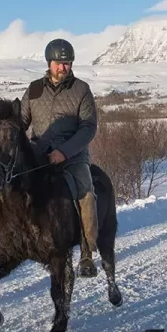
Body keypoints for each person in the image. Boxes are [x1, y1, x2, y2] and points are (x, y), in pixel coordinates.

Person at [20, 38, 99, 277]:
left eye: (67, 63)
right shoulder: (34, 88)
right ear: (49, 63)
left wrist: (64, 151)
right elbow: (21, 122)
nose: (63, 67)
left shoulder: (81, 89)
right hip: (38, 152)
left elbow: (88, 127)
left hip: (72, 154)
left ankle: (87, 252)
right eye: (58, 63)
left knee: (86, 193)